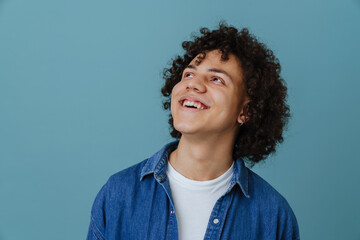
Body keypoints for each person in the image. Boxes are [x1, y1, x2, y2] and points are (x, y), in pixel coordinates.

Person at [86, 23, 300, 240]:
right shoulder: (118, 194)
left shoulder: (273, 216)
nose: (194, 85)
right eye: (188, 74)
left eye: (216, 79)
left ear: (246, 111)